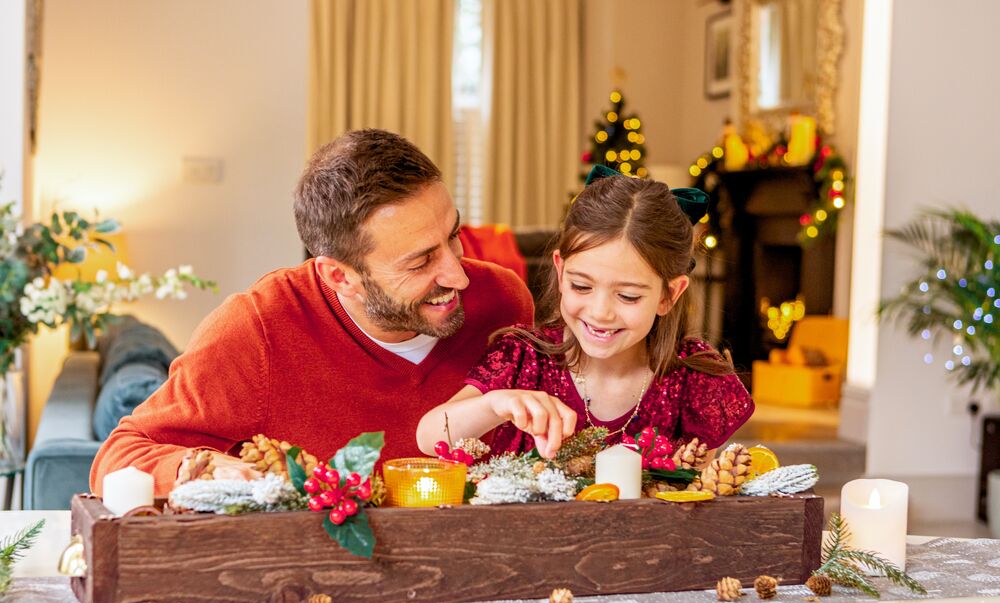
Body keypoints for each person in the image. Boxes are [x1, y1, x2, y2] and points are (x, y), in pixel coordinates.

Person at [91, 129, 534, 496]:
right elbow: (119, 455)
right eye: (419, 262)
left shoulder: (502, 300)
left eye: (453, 235)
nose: (458, 275)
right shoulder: (257, 329)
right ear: (339, 277)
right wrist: (208, 471)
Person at [416, 167, 754, 460]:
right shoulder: (522, 358)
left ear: (669, 295)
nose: (600, 312)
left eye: (627, 296)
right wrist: (493, 405)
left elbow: (700, 494)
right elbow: (430, 436)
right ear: (561, 272)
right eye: (582, 287)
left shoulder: (696, 380)